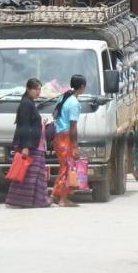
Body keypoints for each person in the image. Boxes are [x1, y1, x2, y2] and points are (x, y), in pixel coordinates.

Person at [6, 78, 50, 208]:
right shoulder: (26, 104)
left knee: (36, 174)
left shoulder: (30, 103)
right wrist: (25, 146)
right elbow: (24, 126)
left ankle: (38, 200)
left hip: (35, 145)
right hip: (30, 146)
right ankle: (22, 201)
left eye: (39, 89)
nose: (38, 92)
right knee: (28, 175)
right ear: (28, 89)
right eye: (36, 89)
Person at [51, 74, 85, 207]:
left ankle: (54, 194)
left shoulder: (63, 98)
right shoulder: (74, 103)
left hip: (58, 137)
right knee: (67, 167)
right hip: (66, 138)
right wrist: (75, 146)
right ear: (82, 87)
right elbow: (73, 126)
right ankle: (63, 199)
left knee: (64, 167)